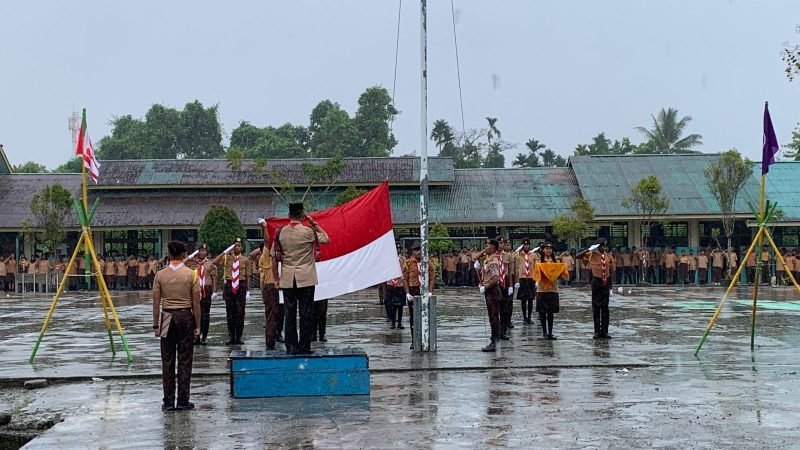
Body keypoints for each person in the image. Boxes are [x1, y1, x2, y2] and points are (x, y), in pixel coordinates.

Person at [274, 203, 330, 355]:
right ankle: (304, 346)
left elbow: (275, 257)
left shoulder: (280, 233)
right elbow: (326, 238)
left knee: (289, 313)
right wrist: (314, 223)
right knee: (306, 313)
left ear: (289, 215)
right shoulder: (308, 232)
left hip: (287, 278)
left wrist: (276, 278)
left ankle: (291, 347)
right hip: (305, 277)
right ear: (302, 215)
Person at [152, 240, 201, 411]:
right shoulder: (191, 274)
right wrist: (198, 325)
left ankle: (167, 401)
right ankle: (182, 400)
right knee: (185, 359)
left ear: (169, 254)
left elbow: (156, 302)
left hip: (166, 316)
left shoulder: (160, 275)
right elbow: (196, 303)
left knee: (167, 359)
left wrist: (155, 325)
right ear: (182, 255)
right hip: (185, 315)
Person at [213, 238, 252, 346]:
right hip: (229, 285)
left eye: (239, 245)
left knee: (240, 312)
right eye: (235, 245)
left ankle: (238, 336)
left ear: (242, 247)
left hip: (241, 285)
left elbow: (248, 276)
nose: (237, 247)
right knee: (230, 312)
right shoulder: (226, 258)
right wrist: (225, 252)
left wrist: (248, 291)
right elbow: (214, 262)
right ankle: (231, 336)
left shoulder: (245, 259)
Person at [577, 238, 616, 339]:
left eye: (605, 246)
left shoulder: (609, 257)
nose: (604, 248)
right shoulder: (591, 255)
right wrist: (589, 249)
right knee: (596, 307)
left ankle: (605, 331)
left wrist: (611, 287)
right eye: (602, 246)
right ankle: (596, 331)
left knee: (605, 307)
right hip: (596, 281)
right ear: (598, 247)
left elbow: (611, 272)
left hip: (605, 282)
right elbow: (578, 256)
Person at [252, 224, 280, 350]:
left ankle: (272, 339)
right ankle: (270, 343)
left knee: (273, 315)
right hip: (271, 287)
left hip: (269, 288)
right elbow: (267, 241)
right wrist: (264, 228)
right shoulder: (266, 257)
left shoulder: (267, 259)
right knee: (272, 317)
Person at [533, 242, 570, 340]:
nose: (548, 250)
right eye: (546, 249)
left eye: (550, 249)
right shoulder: (538, 261)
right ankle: (544, 332)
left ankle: (550, 332)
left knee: (551, 312)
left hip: (553, 289)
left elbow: (562, 274)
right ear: (543, 250)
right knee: (542, 312)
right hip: (541, 289)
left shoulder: (556, 262)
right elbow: (535, 273)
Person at [402, 243, 435, 349]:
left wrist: (430, 291)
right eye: (416, 250)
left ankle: (426, 338)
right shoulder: (408, 263)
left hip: (424, 291)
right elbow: (405, 279)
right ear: (412, 252)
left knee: (426, 315)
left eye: (420, 250)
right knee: (413, 317)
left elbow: (432, 278)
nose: (419, 252)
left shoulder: (427, 263)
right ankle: (414, 339)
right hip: (413, 290)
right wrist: (407, 293)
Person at [479, 239, 503, 352]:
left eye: (487, 246)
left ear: (493, 248)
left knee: (494, 317)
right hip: (489, 290)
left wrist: (486, 286)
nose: (485, 248)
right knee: (492, 317)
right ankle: (494, 340)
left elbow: (495, 278)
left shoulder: (493, 261)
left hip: (493, 290)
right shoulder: (488, 260)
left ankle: (495, 342)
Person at [190, 244, 216, 345]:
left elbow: (214, 278)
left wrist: (214, 292)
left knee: (205, 314)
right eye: (200, 250)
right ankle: (195, 336)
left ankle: (204, 336)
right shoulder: (191, 263)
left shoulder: (210, 264)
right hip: (195, 289)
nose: (203, 252)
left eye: (204, 250)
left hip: (206, 289)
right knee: (195, 314)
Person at [513, 239, 538, 325]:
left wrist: (537, 279)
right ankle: (524, 317)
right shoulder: (518, 255)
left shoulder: (533, 255)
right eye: (524, 245)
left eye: (528, 245)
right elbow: (512, 257)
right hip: (522, 278)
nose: (526, 246)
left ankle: (529, 317)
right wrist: (518, 250)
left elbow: (536, 266)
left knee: (530, 299)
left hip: (531, 278)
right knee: (523, 299)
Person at [386, 247, 407, 329]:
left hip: (400, 284)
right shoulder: (388, 259)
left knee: (400, 305)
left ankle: (400, 322)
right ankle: (393, 322)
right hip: (391, 284)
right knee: (392, 305)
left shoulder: (403, 259)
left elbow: (405, 270)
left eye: (398, 249)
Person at [498, 238, 514, 335]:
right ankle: (498, 327)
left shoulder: (508, 255)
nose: (502, 245)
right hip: (495, 281)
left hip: (506, 280)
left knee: (506, 304)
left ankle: (505, 326)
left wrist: (512, 285)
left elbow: (511, 270)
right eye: (499, 243)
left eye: (503, 243)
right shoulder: (491, 255)